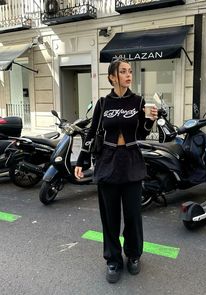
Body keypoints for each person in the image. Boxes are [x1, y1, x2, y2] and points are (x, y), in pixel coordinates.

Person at [74, 58, 157, 283]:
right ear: (112, 76)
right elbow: (91, 134)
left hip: (131, 161)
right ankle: (113, 259)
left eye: (130, 71)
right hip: (107, 162)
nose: (129, 75)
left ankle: (133, 255)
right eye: (123, 71)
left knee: (132, 215)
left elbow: (141, 134)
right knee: (110, 217)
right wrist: (81, 161)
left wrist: (150, 121)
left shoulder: (138, 101)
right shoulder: (103, 103)